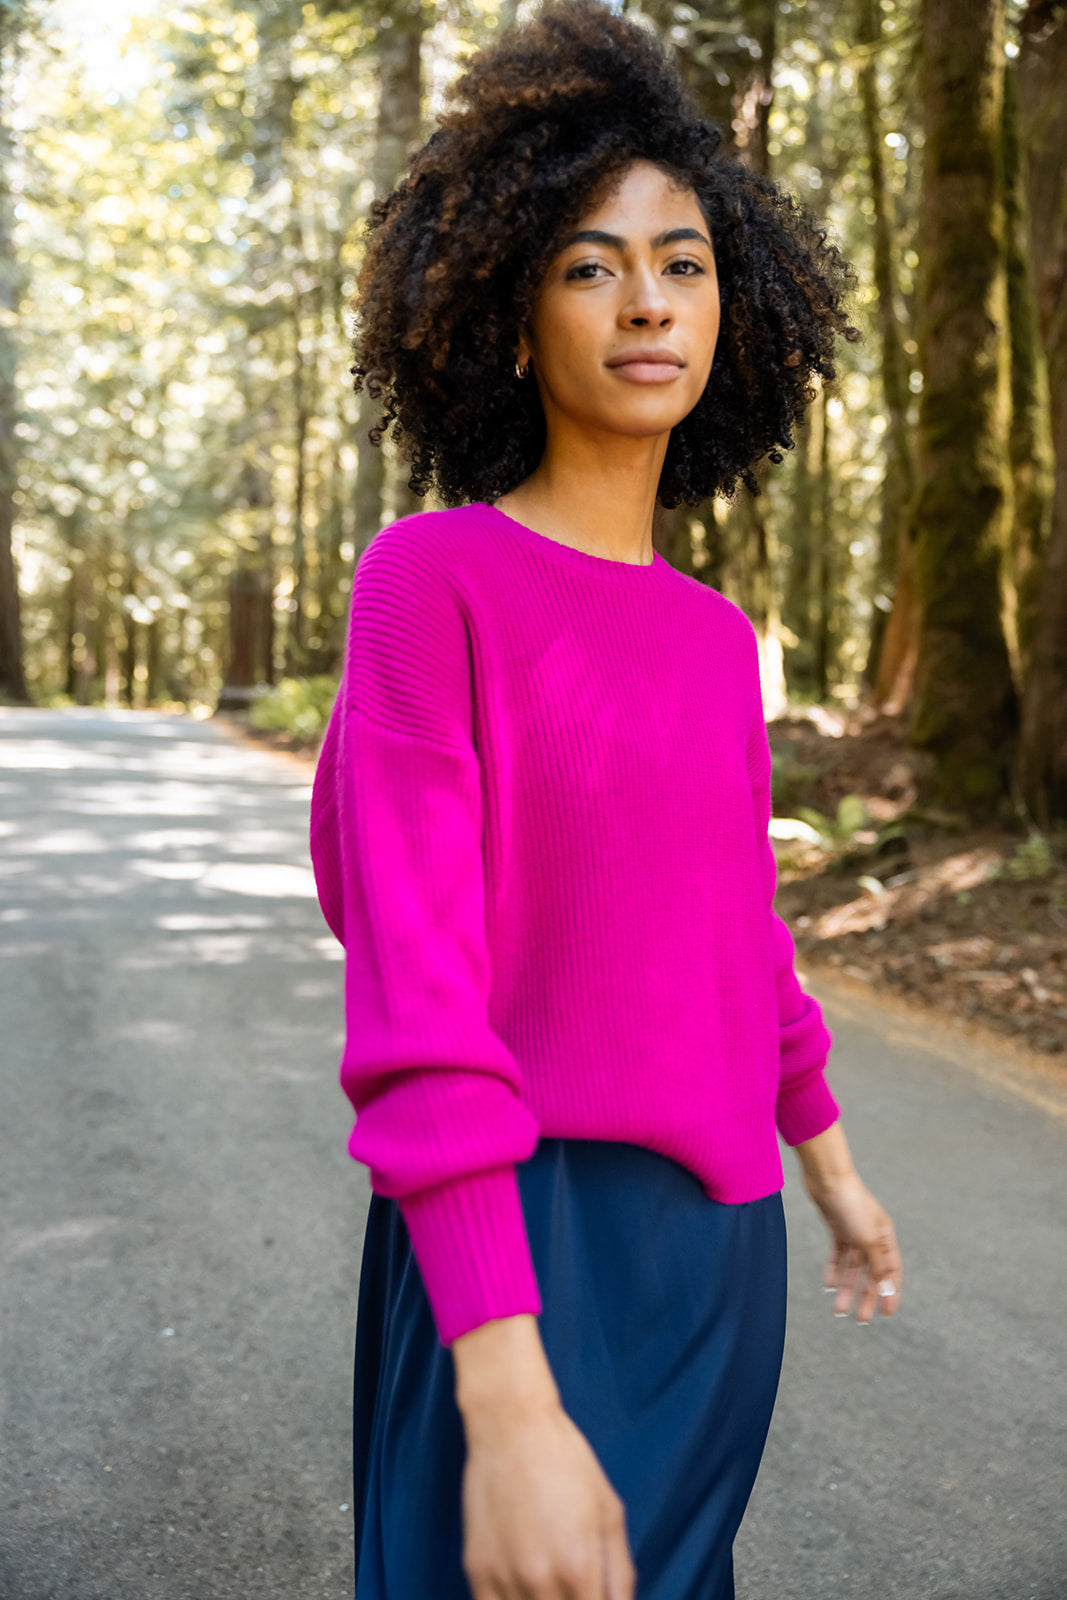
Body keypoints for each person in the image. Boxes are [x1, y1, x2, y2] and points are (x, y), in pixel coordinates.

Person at [309, 4, 903, 1597]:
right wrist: (505, 1399)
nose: (648, 299)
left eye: (685, 260)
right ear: (510, 318)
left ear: (738, 309)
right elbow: (416, 989)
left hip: (724, 1257)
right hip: (522, 1244)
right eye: (589, 263)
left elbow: (736, 932)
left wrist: (832, 1171)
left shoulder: (720, 641)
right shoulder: (429, 582)